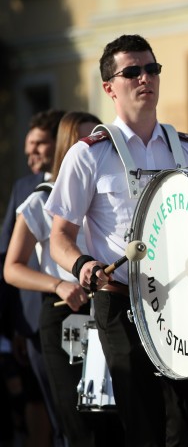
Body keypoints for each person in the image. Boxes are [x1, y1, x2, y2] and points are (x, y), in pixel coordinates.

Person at [46, 34, 188, 447]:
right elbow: (59, 237)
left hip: (187, 300)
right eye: (133, 71)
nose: (145, 78)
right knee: (143, 425)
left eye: (152, 69)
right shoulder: (88, 154)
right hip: (121, 299)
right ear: (109, 87)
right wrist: (83, 264)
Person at [4, 111, 125, 447]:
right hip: (64, 315)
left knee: (115, 422)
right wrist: (58, 284)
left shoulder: (108, 197)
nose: (92, 148)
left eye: (100, 141)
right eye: (83, 140)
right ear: (65, 148)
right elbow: (12, 267)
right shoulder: (40, 200)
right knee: (79, 425)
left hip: (108, 311)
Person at [0, 109, 66, 447]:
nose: (32, 153)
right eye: (28, 147)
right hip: (34, 321)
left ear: (60, 142)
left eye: (39, 144)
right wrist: (15, 327)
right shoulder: (26, 188)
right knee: (43, 409)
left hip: (82, 316)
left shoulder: (83, 179)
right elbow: (8, 260)